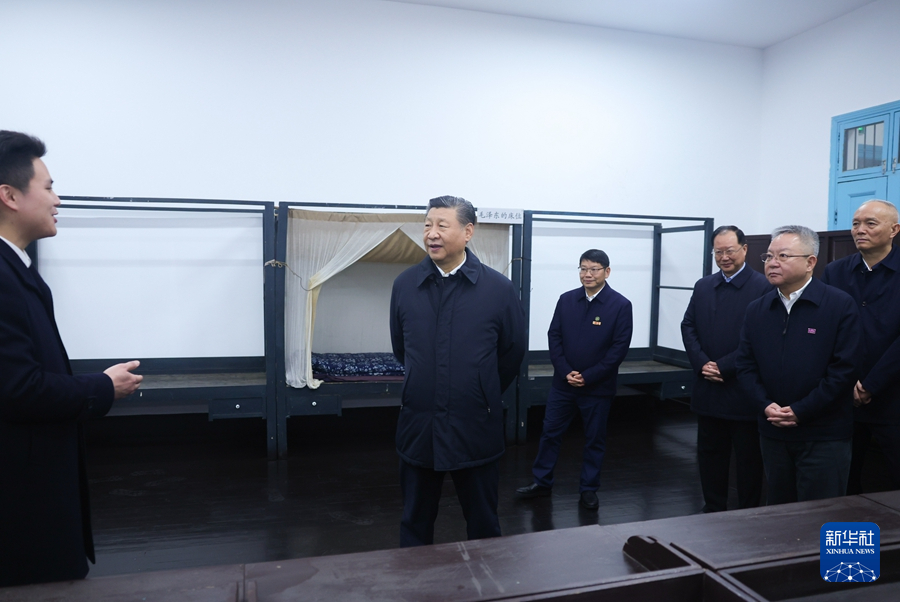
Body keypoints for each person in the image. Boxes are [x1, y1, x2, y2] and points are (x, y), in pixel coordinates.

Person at [0, 131, 143, 587]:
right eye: (48, 187)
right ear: (10, 196)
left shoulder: (15, 268)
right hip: (20, 503)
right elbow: (18, 389)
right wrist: (103, 386)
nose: (57, 199)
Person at [389, 195, 526, 546]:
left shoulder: (498, 289)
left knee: (483, 525)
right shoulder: (405, 285)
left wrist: (480, 389)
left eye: (442, 226)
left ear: (468, 232)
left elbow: (511, 353)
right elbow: (401, 349)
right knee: (414, 524)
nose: (431, 234)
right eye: (427, 225)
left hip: (475, 425)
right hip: (419, 425)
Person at [736, 225, 859, 505]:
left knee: (820, 513)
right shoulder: (757, 309)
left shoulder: (839, 305)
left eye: (783, 256)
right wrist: (765, 404)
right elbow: (745, 365)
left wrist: (801, 410)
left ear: (810, 262)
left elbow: (844, 370)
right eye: (768, 256)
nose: (772, 263)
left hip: (824, 434)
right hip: (773, 429)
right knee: (781, 513)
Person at [515, 249, 633, 510]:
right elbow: (554, 336)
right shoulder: (566, 299)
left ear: (607, 272)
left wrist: (588, 376)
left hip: (598, 388)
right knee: (550, 433)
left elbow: (618, 349)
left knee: (594, 439)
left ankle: (589, 489)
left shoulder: (620, 305)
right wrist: (565, 370)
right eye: (583, 268)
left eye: (594, 269)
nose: (587, 274)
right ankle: (542, 482)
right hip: (563, 384)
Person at [681, 225, 770, 512]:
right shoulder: (703, 285)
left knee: (748, 459)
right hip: (707, 388)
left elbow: (761, 337)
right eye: (718, 252)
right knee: (709, 454)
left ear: (745, 249)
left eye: (730, 250)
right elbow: (688, 326)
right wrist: (702, 363)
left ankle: (748, 512)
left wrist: (724, 366)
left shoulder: (763, 286)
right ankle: (713, 508)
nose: (724, 257)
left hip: (743, 390)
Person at [821, 200, 900, 493]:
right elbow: (826, 330)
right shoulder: (835, 272)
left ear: (894, 230)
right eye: (855, 223)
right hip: (843, 394)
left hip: (893, 396)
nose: (859, 230)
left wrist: (871, 384)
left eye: (870, 223)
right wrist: (847, 378)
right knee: (843, 481)